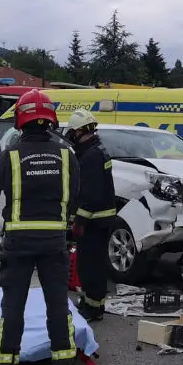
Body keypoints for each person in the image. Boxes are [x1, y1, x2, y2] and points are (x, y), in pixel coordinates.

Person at [0, 88, 81, 365]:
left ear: (20, 121)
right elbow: (75, 195)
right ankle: (62, 363)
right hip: (54, 242)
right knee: (57, 303)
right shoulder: (67, 155)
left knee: (13, 304)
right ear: (51, 120)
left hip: (18, 242)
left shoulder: (10, 155)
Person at [60, 109, 116, 323]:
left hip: (95, 222)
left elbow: (90, 195)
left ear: (79, 131)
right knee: (87, 265)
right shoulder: (96, 150)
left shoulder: (91, 155)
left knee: (92, 267)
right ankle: (89, 303)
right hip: (98, 220)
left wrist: (79, 222)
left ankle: (94, 309)